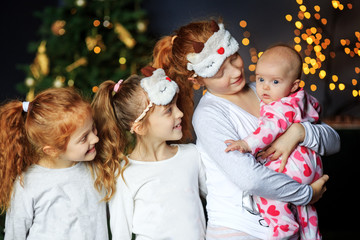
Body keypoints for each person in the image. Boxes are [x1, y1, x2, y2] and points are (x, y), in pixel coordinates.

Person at [151, 19, 340, 239]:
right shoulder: (210, 115)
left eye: (234, 58)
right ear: (197, 79)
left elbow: (333, 141)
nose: (235, 72)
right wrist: (306, 194)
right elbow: (250, 178)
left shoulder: (266, 88)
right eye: (220, 71)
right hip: (240, 230)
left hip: (287, 224)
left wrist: (299, 132)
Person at [91, 67, 207, 240]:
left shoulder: (192, 155)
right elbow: (120, 234)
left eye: (176, 105)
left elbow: (218, 200)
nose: (180, 113)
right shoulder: (125, 174)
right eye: (169, 110)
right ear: (140, 127)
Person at [224, 44, 323, 239]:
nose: (265, 87)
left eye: (275, 81)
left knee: (266, 193)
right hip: (309, 165)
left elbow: (269, 129)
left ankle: (284, 228)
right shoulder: (302, 99)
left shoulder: (281, 106)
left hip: (291, 167)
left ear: (294, 85)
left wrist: (246, 144)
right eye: (260, 79)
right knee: (306, 212)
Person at [0, 88, 109, 239]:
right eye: (84, 138)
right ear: (52, 150)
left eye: (93, 128)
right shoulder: (27, 184)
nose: (95, 139)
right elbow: (14, 234)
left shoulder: (96, 169)